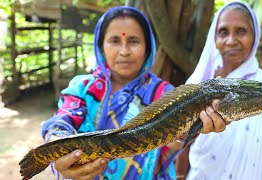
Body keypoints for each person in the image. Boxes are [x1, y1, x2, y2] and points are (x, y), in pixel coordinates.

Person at [41, 6, 226, 180]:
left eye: (133, 41)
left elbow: (174, 141)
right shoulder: (82, 88)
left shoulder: (164, 94)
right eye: (115, 41)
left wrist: (189, 128)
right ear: (101, 46)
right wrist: (56, 142)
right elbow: (63, 119)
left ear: (148, 48)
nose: (124, 51)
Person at [175, 1, 262, 180]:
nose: (232, 41)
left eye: (241, 31)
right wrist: (180, 176)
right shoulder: (199, 85)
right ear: (214, 39)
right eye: (223, 32)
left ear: (254, 36)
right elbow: (183, 145)